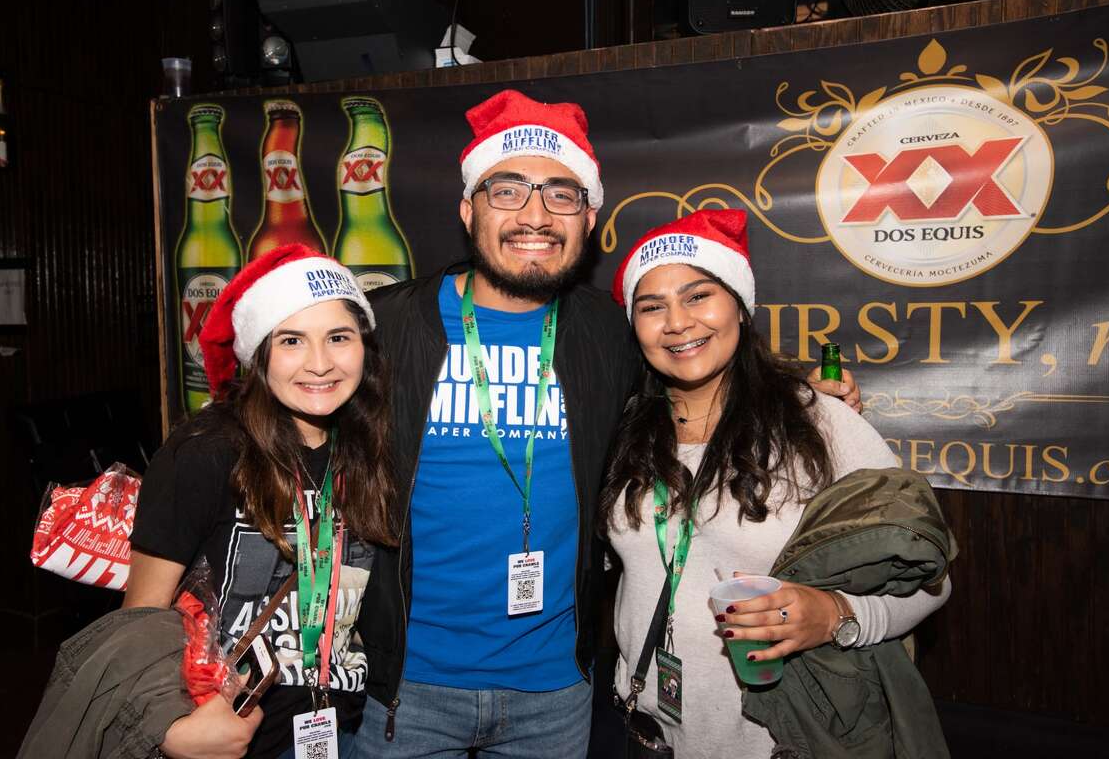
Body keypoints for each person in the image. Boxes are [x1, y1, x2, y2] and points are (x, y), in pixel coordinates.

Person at [352, 89, 862, 758]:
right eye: (507, 190)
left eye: (561, 194)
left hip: (555, 694)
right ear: (467, 209)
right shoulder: (378, 328)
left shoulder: (609, 333)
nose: (535, 214)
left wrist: (804, 395)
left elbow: (702, 363)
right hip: (405, 693)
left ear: (588, 217)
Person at [602, 208, 953, 758]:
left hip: (783, 741)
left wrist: (838, 615)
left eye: (699, 296)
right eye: (652, 307)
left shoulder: (819, 421)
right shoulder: (624, 429)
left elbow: (930, 577)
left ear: (739, 307)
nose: (677, 322)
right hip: (651, 733)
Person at [123, 244, 396, 759]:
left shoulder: (368, 451)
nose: (320, 364)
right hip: (230, 740)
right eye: (291, 340)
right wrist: (171, 732)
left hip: (348, 731)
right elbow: (138, 619)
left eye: (339, 337)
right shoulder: (205, 453)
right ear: (259, 353)